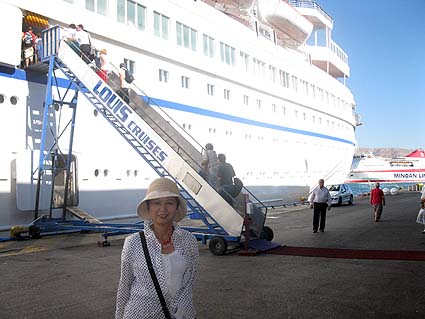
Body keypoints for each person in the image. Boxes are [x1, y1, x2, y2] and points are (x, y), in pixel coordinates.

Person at [115, 177, 199, 319]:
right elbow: (124, 287)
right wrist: (118, 316)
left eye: (170, 203)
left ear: (177, 207)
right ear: (148, 207)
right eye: (156, 203)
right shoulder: (133, 243)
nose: (163, 209)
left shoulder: (188, 241)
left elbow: (190, 282)